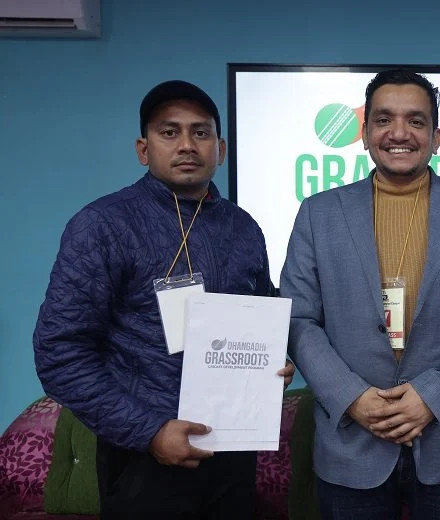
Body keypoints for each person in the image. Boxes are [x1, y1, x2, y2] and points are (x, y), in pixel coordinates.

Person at [33, 80, 295, 519]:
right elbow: (59, 352)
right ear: (143, 149)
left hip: (232, 451)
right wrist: (149, 431)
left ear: (220, 149)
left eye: (200, 132)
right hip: (143, 457)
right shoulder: (102, 225)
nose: (187, 145)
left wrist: (274, 363)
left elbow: (264, 314)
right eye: (169, 132)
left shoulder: (244, 228)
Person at [280, 69, 440, 519]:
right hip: (351, 442)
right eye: (384, 119)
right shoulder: (318, 213)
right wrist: (353, 397)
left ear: (437, 136)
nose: (399, 133)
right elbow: (298, 318)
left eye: (415, 120)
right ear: (365, 133)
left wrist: (433, 397)